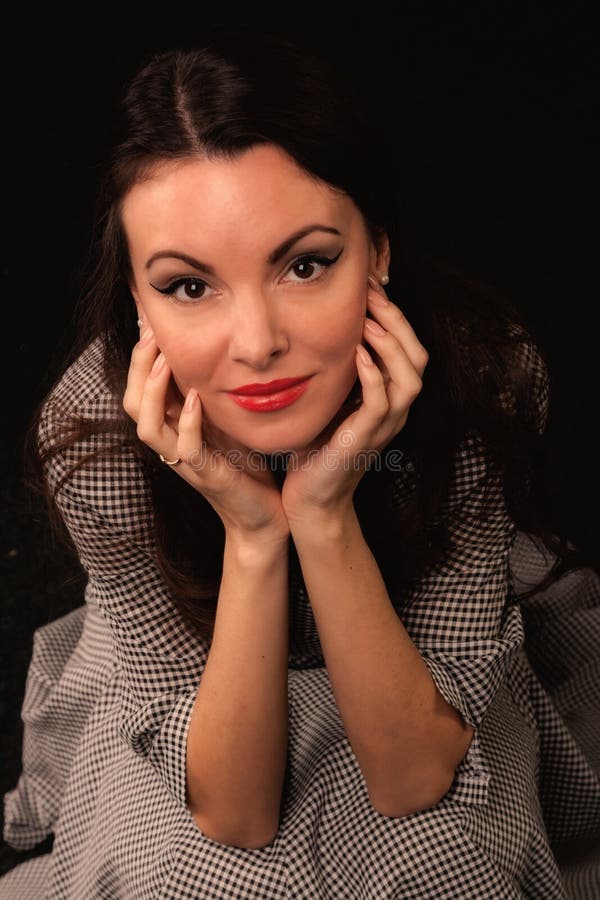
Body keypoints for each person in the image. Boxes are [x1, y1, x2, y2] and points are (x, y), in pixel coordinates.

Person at [2, 26, 599, 899]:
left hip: (405, 675)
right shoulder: (97, 435)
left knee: (440, 860)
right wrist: (251, 532)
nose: (258, 345)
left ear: (378, 254)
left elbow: (413, 776)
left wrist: (323, 514)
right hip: (209, 683)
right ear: (136, 297)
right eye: (188, 286)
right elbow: (234, 813)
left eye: (306, 265)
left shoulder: (483, 383)